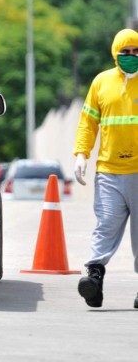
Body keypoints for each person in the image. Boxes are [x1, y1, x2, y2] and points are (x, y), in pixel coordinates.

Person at [74, 28, 138, 308]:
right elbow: (88, 123)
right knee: (105, 226)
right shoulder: (101, 83)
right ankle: (94, 278)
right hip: (109, 172)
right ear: (115, 53)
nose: (131, 56)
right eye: (126, 52)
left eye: (136, 52)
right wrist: (81, 154)